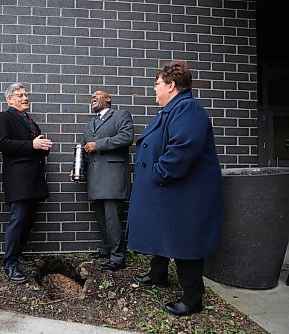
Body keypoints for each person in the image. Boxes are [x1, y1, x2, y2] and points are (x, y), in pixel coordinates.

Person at [127, 60, 222, 317]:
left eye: (157, 84)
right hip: (169, 193)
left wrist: (158, 173)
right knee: (164, 233)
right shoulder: (171, 110)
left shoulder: (188, 110)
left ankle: (193, 298)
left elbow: (181, 150)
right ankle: (158, 275)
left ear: (171, 85)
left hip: (182, 195)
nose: (154, 90)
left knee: (184, 243)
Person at [0, 83, 52, 284]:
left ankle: (18, 254)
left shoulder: (30, 121)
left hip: (34, 179)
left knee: (28, 220)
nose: (25, 98)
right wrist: (32, 144)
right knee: (17, 220)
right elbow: (4, 144)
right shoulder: (3, 117)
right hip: (18, 180)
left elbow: (33, 145)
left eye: (26, 95)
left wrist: (43, 147)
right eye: (20, 95)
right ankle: (9, 264)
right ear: (9, 99)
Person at [71, 91, 134, 272]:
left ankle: (117, 256)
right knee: (101, 216)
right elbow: (82, 149)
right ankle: (106, 249)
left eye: (97, 94)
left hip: (113, 177)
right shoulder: (89, 123)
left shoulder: (121, 115)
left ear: (108, 99)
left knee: (112, 218)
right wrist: (76, 169)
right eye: (91, 95)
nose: (92, 96)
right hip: (95, 178)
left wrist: (99, 144)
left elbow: (126, 137)